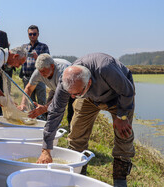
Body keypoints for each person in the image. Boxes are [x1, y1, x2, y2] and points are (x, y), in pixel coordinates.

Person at [37, 53, 135, 187]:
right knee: (76, 134)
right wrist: (46, 149)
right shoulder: (65, 81)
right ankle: (77, 178)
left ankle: (120, 181)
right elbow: (55, 113)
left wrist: (121, 116)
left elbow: (128, 91)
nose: (71, 97)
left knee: (123, 135)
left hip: (118, 97)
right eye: (69, 93)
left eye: (75, 94)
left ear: (88, 83)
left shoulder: (105, 68)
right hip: (88, 97)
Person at [18, 53, 74, 126]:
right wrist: (23, 103)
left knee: (72, 111)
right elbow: (29, 88)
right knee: (49, 110)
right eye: (39, 71)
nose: (41, 74)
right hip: (56, 87)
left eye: (43, 71)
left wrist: (44, 108)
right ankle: (51, 128)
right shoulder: (38, 72)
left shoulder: (62, 72)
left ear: (52, 66)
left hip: (73, 87)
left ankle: (72, 133)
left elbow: (61, 96)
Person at [20, 25, 50, 119]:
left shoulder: (43, 47)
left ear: (38, 34)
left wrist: (38, 58)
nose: (32, 36)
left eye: (34, 34)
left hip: (40, 78)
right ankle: (32, 120)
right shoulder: (24, 47)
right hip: (27, 78)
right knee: (30, 102)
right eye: (30, 34)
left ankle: (43, 120)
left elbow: (48, 62)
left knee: (41, 101)